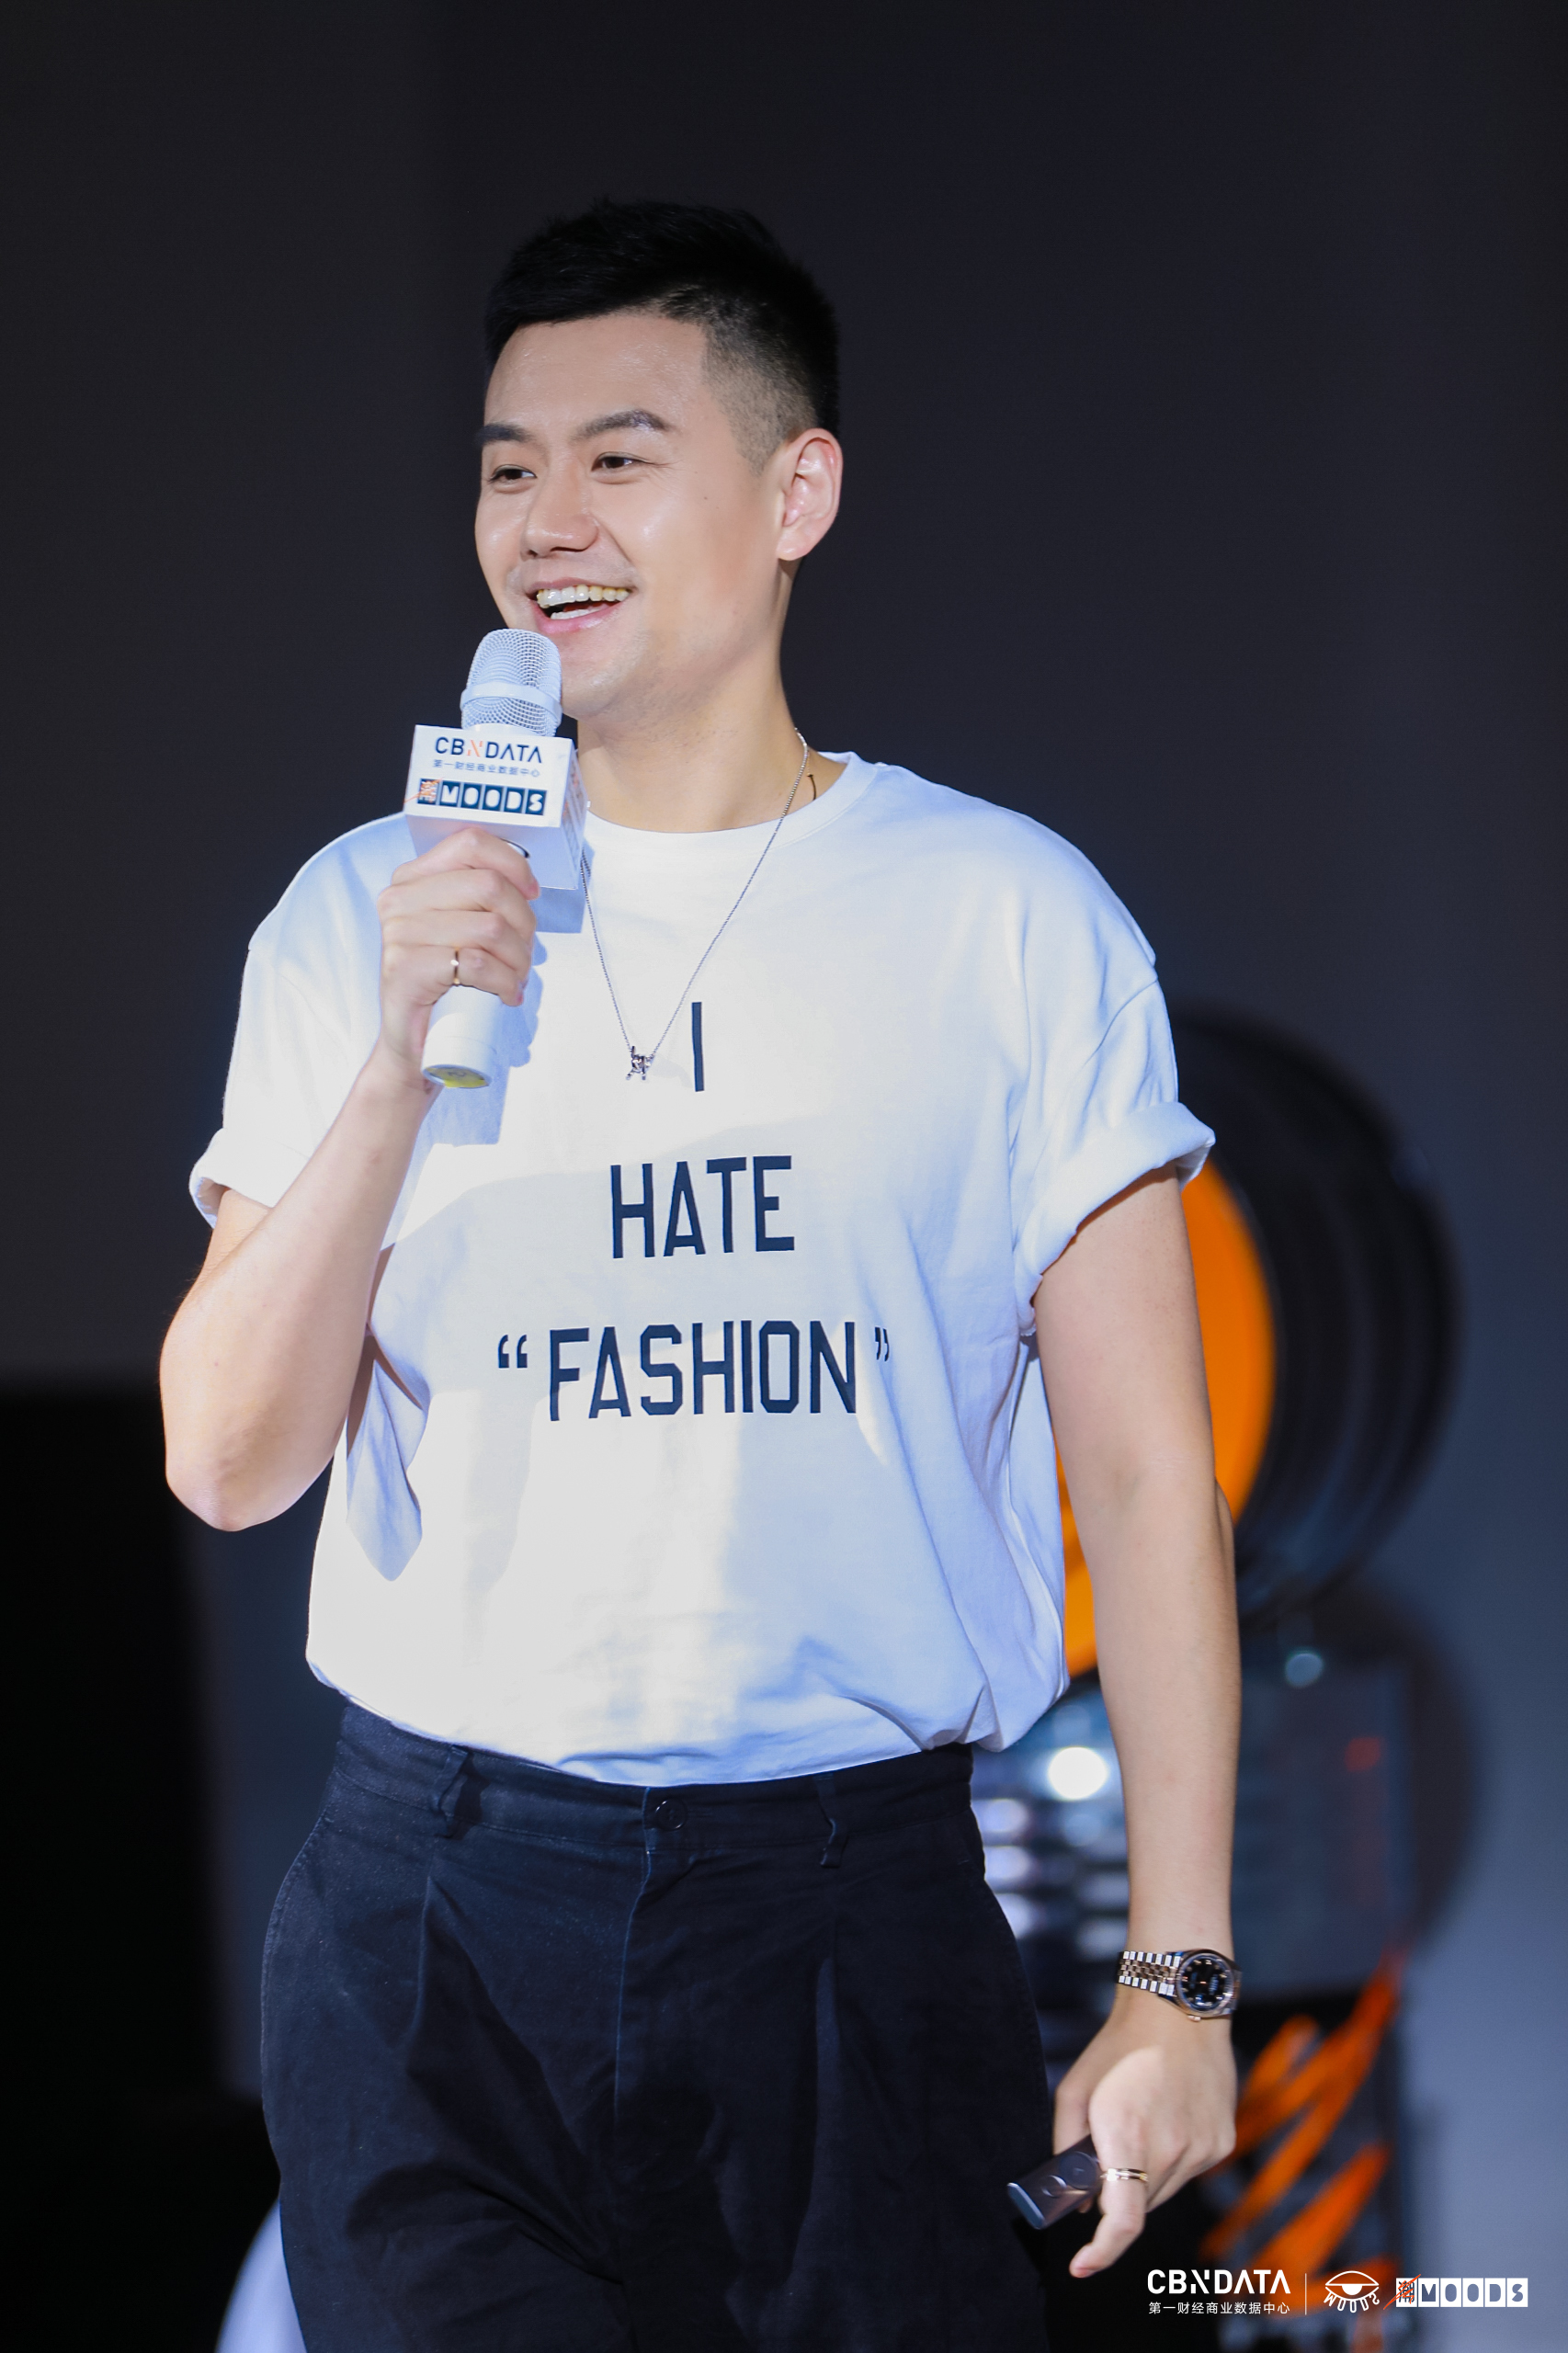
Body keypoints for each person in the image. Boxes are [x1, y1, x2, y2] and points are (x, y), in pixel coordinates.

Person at [162, 200, 1240, 2351]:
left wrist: (1178, 1975)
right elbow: (227, 1458)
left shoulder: (1002, 917)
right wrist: (394, 1058)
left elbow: (1144, 1478)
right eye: (506, 466)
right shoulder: (366, 908)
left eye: (617, 456)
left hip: (847, 1911)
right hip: (440, 1908)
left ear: (795, 488)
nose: (544, 521)